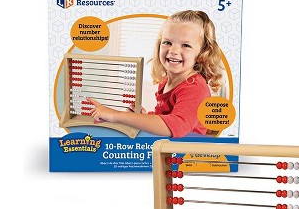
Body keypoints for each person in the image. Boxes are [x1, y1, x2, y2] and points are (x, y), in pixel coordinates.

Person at [88, 10, 223, 137]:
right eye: (167, 42)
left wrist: (116, 115)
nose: (173, 50)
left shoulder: (194, 87)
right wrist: (143, 118)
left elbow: (177, 125)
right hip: (167, 147)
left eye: (186, 45)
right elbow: (165, 117)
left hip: (187, 150)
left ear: (202, 54)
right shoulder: (167, 81)